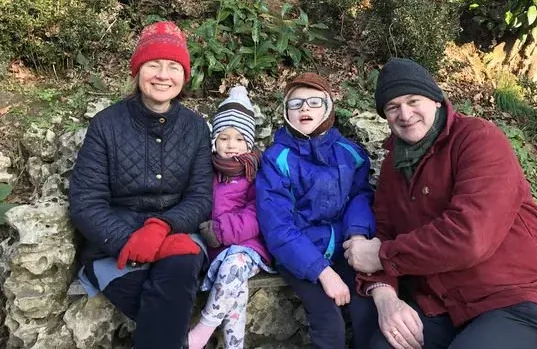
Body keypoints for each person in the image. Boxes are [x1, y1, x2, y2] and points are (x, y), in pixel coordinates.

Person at [343, 58, 537, 349]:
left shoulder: (478, 139)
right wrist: (386, 297)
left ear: (437, 101)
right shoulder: (394, 164)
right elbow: (383, 232)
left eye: (413, 100)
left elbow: (470, 236)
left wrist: (385, 256)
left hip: (516, 298)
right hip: (444, 306)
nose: (405, 114)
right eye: (393, 107)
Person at [68, 21, 213, 349]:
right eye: (154, 65)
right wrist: (127, 240)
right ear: (138, 71)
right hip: (114, 242)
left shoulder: (196, 129)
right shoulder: (106, 125)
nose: (163, 75)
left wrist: (163, 226)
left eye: (173, 66)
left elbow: (201, 196)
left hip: (177, 234)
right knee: (165, 300)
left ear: (184, 75)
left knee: (179, 269)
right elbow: (86, 201)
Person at [256, 72, 379, 348]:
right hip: (299, 255)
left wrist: (358, 235)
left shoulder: (350, 152)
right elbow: (278, 226)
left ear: (327, 108)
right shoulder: (277, 158)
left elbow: (359, 195)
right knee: (329, 322)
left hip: (343, 249)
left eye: (314, 102)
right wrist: (322, 272)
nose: (305, 109)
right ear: (286, 112)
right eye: (295, 104)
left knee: (365, 309)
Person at [186, 86, 274, 349]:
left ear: (248, 142)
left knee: (234, 265)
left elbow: (258, 212)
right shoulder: (207, 170)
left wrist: (223, 230)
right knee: (236, 289)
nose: (231, 145)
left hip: (249, 246)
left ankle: (202, 329)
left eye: (238, 138)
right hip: (215, 248)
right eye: (224, 138)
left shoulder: (255, 172)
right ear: (215, 141)